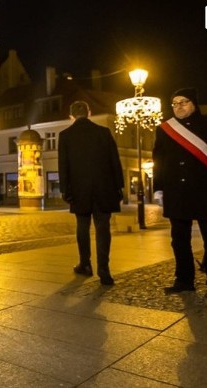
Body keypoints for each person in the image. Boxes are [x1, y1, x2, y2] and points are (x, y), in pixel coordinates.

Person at [152, 88, 207, 297]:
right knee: (179, 239)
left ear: (194, 103)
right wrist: (158, 188)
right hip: (176, 191)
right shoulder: (165, 129)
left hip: (206, 191)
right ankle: (184, 280)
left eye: (183, 102)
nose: (178, 106)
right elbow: (158, 160)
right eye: (175, 103)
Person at [58, 100, 123, 286]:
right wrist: (119, 186)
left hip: (79, 190)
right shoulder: (103, 132)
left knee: (82, 226)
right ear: (89, 112)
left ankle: (85, 264)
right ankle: (105, 271)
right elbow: (114, 161)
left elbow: (64, 167)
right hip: (105, 189)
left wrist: (65, 190)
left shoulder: (66, 135)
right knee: (103, 229)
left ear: (71, 116)